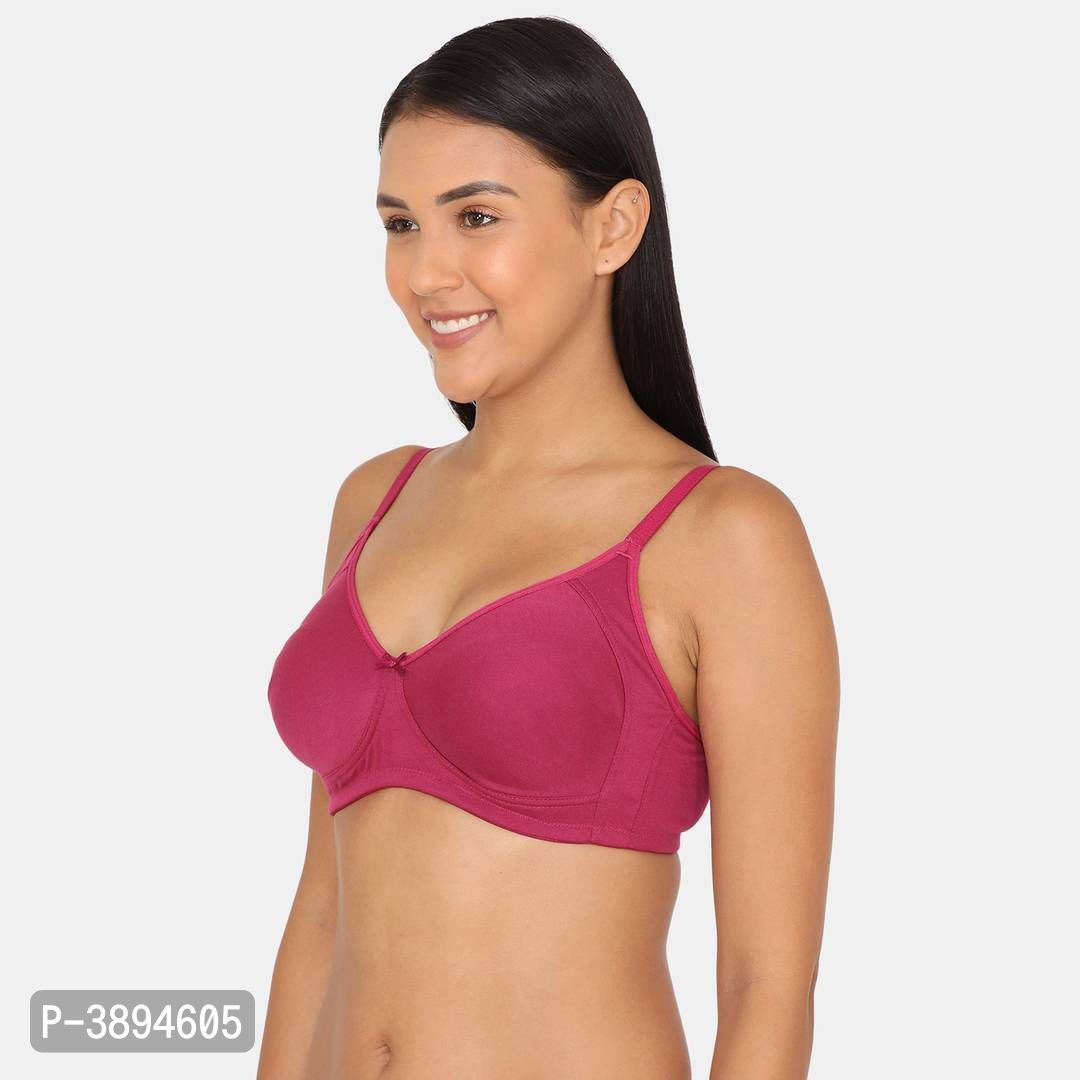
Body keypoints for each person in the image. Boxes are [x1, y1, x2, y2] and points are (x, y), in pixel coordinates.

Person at [258, 16, 839, 1080]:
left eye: (476, 217)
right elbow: (321, 911)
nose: (426, 272)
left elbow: (766, 984)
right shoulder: (375, 500)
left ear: (613, 227)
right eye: (400, 224)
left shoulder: (724, 537)